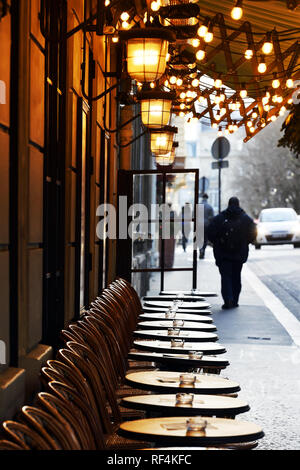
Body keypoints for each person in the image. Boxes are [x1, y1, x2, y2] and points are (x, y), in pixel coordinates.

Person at [207, 197, 257, 309]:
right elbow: (253, 233)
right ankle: (235, 300)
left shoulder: (220, 218)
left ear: (228, 204)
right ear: (238, 204)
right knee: (236, 276)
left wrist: (217, 242)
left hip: (223, 254)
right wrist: (245, 242)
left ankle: (228, 299)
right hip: (239, 254)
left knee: (225, 277)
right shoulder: (245, 218)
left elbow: (210, 232)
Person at [199, 193, 214, 259]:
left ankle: (200, 250)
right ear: (207, 198)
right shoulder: (209, 207)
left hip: (199, 224)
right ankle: (203, 250)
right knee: (205, 239)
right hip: (206, 225)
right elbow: (212, 217)